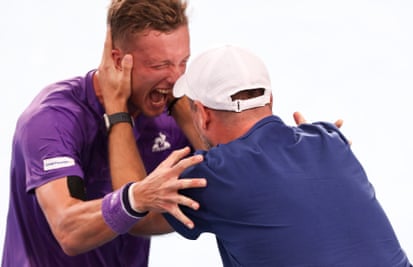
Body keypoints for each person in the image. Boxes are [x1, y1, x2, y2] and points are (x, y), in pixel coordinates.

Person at [163, 45, 412, 266]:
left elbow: (142, 203)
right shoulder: (329, 139)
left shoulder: (212, 176)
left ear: (204, 114)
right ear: (270, 100)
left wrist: (121, 106)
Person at [1, 0, 207, 266]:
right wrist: (137, 198)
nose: (177, 77)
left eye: (183, 62)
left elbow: (237, 177)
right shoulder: (52, 119)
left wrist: (181, 107)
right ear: (119, 61)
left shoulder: (169, 116)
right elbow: (69, 230)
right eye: (159, 65)